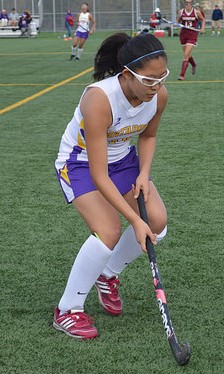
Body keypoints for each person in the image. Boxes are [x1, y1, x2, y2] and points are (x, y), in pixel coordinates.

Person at [53, 32, 170, 339]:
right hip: (80, 163)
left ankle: (107, 275)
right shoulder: (99, 99)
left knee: (156, 222)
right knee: (109, 230)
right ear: (127, 74)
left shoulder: (158, 96)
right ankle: (67, 309)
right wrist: (134, 219)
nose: (155, 87)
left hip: (123, 161)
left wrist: (144, 174)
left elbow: (148, 136)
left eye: (161, 78)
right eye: (148, 80)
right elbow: (98, 173)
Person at [176, 0, 205, 81]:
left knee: (185, 55)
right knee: (187, 54)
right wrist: (176, 24)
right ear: (184, 3)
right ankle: (194, 64)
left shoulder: (196, 12)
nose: (188, 4)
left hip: (192, 35)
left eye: (190, 2)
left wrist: (202, 28)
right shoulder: (181, 12)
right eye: (186, 2)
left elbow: (203, 19)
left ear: (192, 3)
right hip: (183, 35)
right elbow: (177, 21)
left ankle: (181, 75)